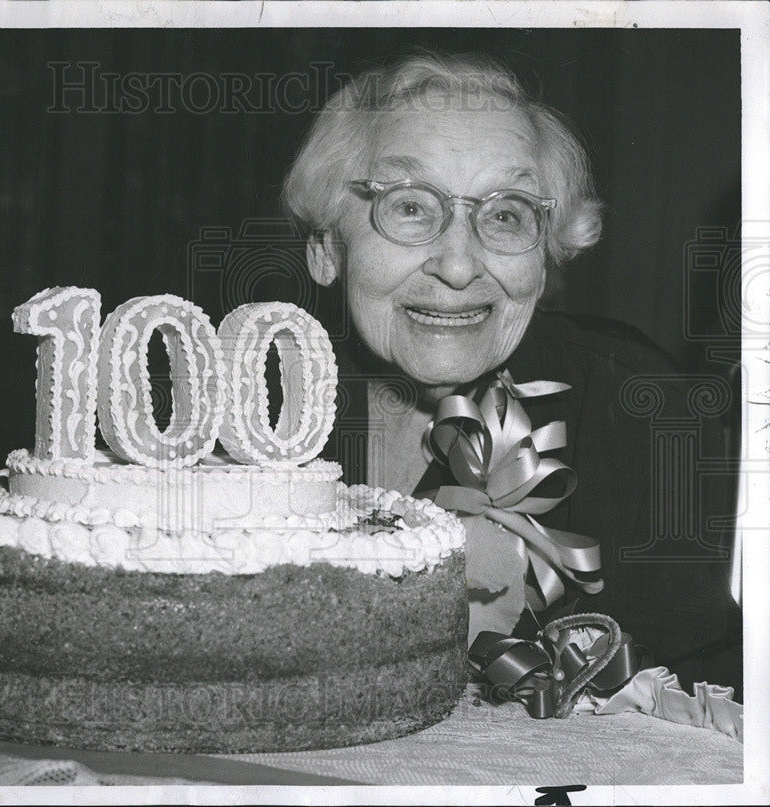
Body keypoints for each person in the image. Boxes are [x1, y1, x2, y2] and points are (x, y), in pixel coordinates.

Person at [283, 52, 741, 694]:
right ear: (327, 248)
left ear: (547, 258)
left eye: (505, 214)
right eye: (411, 206)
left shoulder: (635, 403)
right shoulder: (252, 411)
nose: (460, 266)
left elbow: (704, 690)